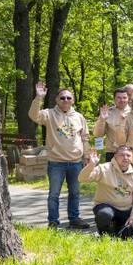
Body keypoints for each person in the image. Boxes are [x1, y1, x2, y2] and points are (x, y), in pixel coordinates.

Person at [28, 81, 90, 230]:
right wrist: (38, 98)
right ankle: (53, 222)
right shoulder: (49, 114)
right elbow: (33, 115)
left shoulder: (79, 117)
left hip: (76, 163)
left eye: (69, 98)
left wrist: (86, 157)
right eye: (62, 98)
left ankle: (74, 219)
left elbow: (85, 138)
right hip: (56, 163)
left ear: (73, 100)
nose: (66, 100)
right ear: (56, 100)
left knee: (75, 193)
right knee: (54, 194)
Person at [78, 146, 133, 238]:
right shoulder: (104, 168)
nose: (125, 158)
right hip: (107, 207)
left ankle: (116, 227)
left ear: (132, 158)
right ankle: (105, 235)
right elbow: (82, 179)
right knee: (104, 215)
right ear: (115, 156)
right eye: (122, 155)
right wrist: (91, 165)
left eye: (128, 155)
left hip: (126, 210)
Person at [94, 88, 130, 161]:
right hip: (112, 152)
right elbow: (98, 135)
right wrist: (102, 120)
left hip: (130, 152)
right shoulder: (108, 112)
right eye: (119, 98)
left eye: (124, 98)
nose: (122, 100)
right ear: (114, 99)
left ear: (128, 99)